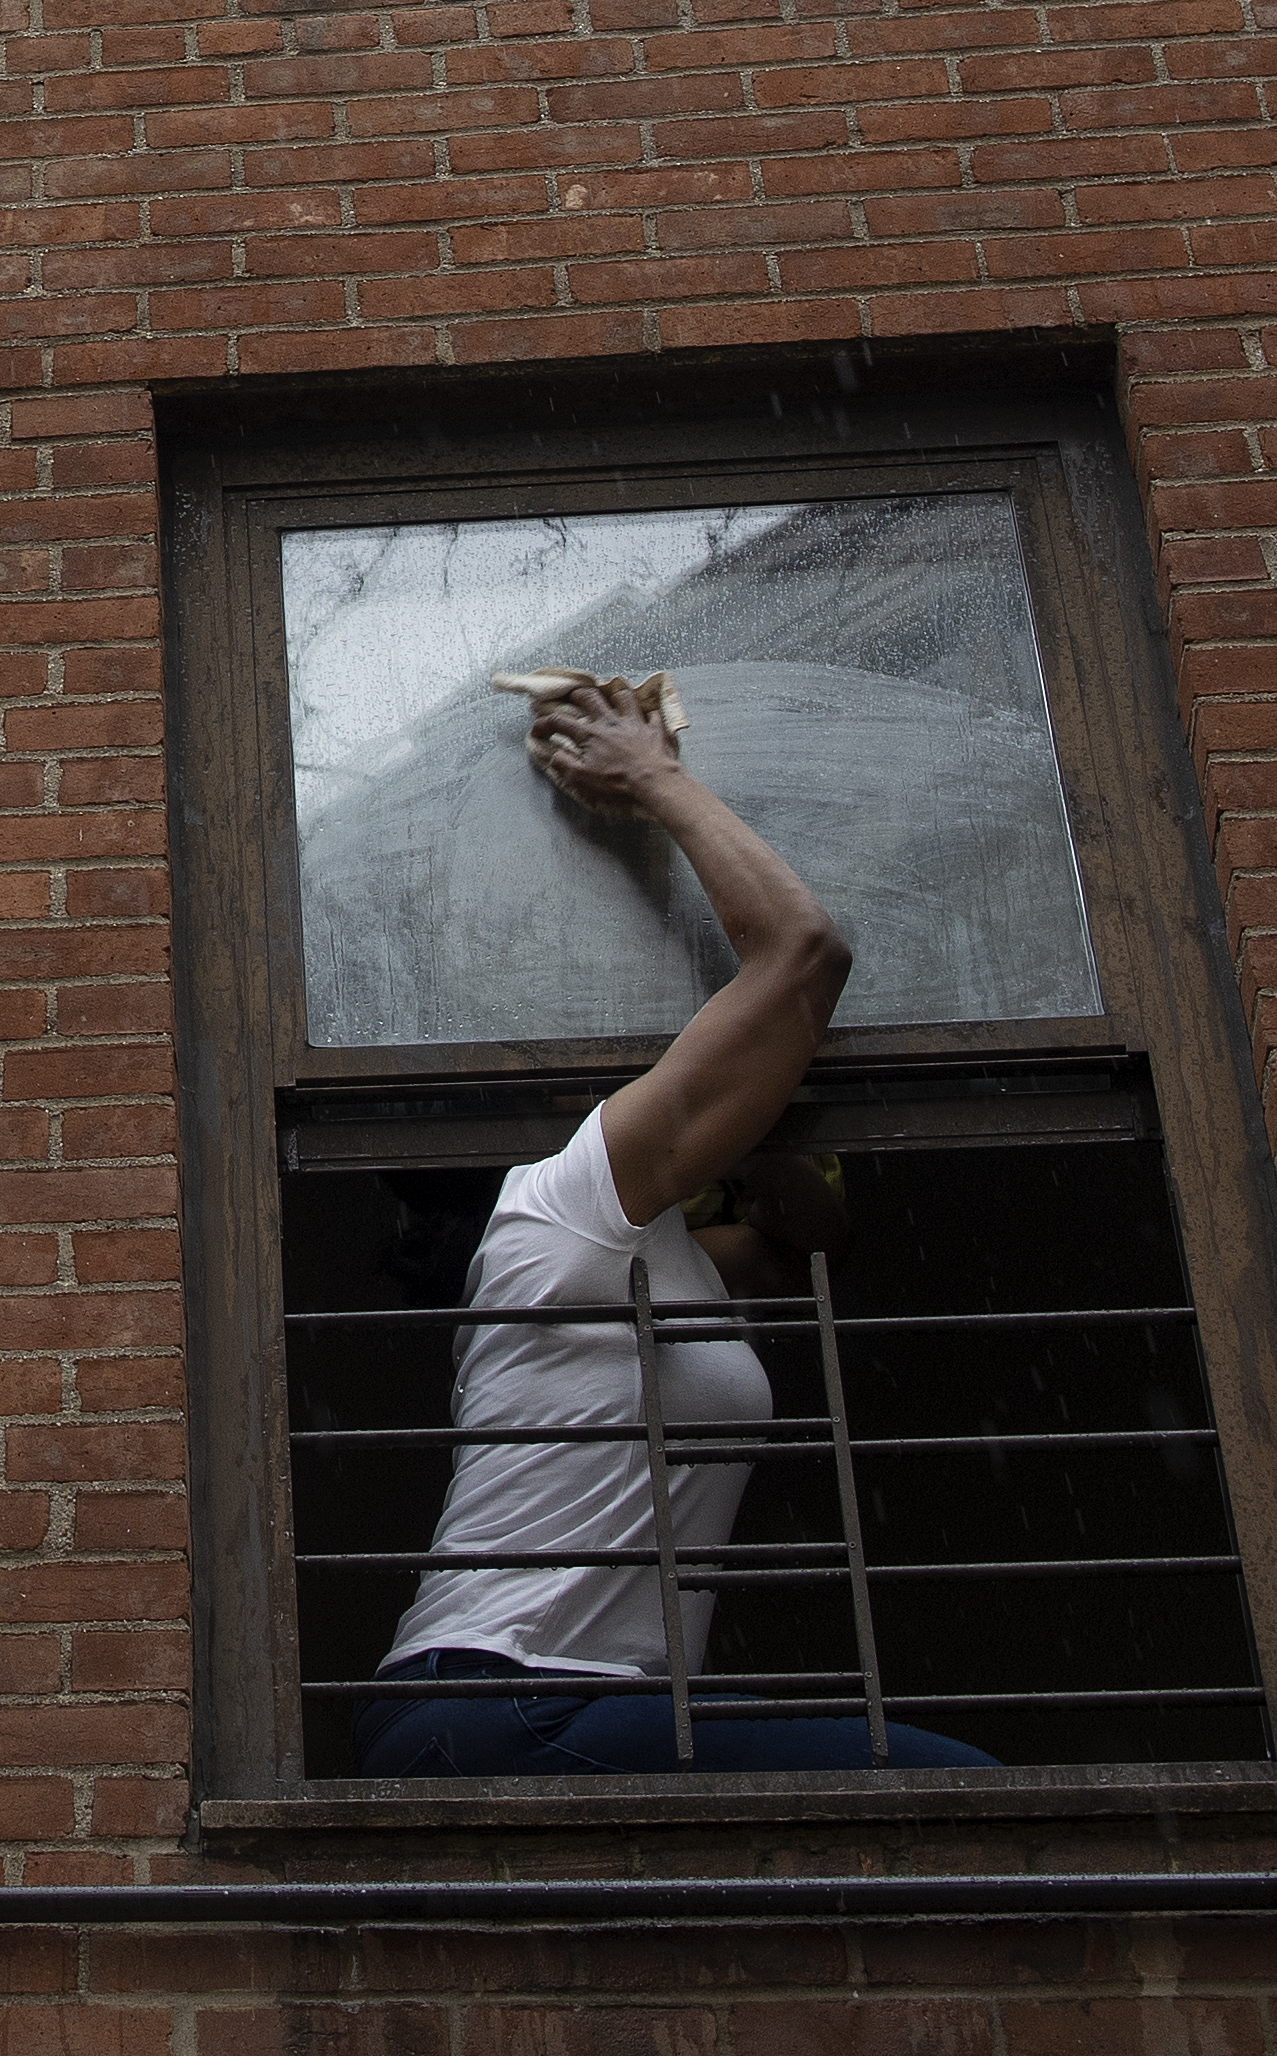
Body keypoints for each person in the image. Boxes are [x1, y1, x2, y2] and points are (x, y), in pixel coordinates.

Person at [349, 674, 998, 1775]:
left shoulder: (653, 1263)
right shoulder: (559, 1215)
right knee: (967, 1794)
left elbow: (802, 1246)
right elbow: (801, 955)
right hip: (506, 1701)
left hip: (536, 1708)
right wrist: (652, 780)